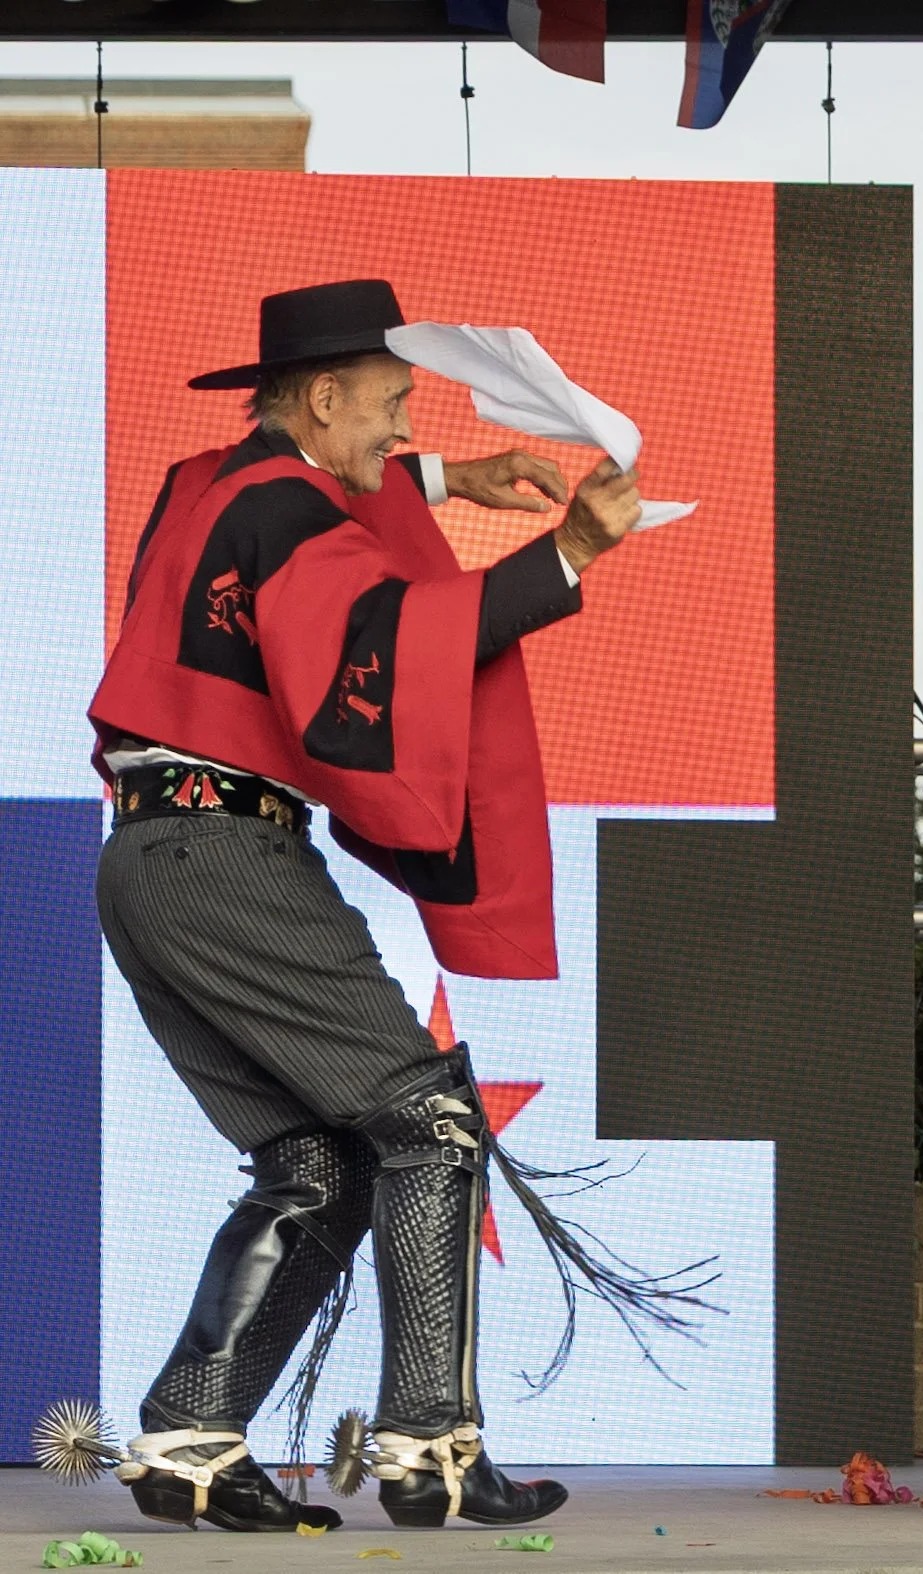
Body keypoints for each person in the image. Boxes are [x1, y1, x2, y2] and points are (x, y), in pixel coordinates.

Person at [85, 280, 700, 1533]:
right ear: (322, 398)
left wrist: (443, 485)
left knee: (314, 1165)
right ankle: (431, 1446)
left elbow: (278, 537)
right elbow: (383, 636)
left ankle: (191, 1435)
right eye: (393, 404)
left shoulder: (207, 483)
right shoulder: (290, 511)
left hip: (145, 863)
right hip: (225, 857)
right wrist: (568, 553)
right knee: (430, 1127)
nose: (403, 427)